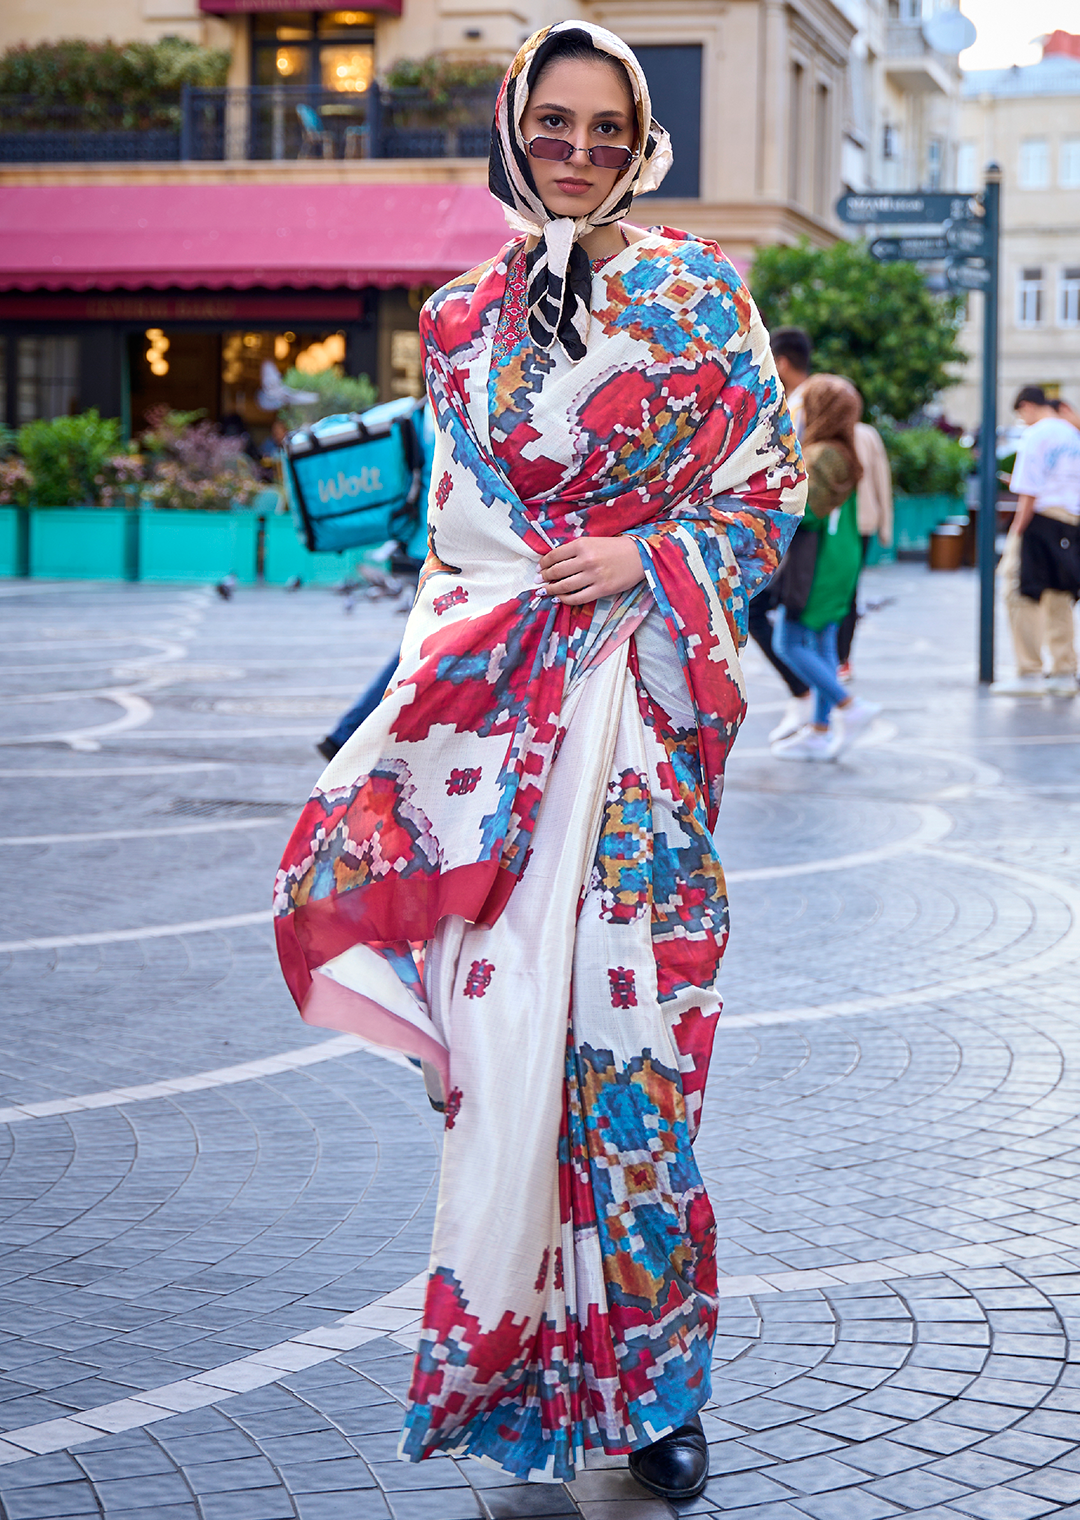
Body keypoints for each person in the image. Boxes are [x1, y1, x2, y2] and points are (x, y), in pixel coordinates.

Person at [274, 20, 804, 1502]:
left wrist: (645, 552)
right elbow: (455, 541)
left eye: (607, 129)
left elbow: (768, 489)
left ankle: (654, 1397)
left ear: (644, 145)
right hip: (499, 750)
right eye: (555, 124)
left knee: (638, 1066)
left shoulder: (709, 300)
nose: (579, 151)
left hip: (638, 733)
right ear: (516, 127)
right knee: (508, 1071)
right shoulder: (454, 321)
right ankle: (512, 1381)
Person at [771, 374, 880, 759]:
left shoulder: (819, 455)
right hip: (841, 557)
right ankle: (818, 731)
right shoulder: (843, 450)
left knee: (789, 641)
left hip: (817, 563)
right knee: (823, 643)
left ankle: (848, 706)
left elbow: (804, 515)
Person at [991, 385, 1080, 696]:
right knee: (1060, 593)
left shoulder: (1036, 434)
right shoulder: (1072, 434)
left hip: (1040, 518)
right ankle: (1064, 671)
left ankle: (1028, 670)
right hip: (1070, 520)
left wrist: (1016, 530)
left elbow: (1029, 489)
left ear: (1026, 406)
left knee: (1018, 590)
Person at [754, 326, 816, 742]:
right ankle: (814, 700)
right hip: (808, 531)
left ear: (783, 362)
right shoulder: (812, 396)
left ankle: (809, 695)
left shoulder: (802, 402)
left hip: (798, 531)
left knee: (762, 609)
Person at [836, 416, 894, 680]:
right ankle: (831, 657)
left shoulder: (865, 434)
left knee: (847, 592)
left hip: (859, 524)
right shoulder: (817, 429)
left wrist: (885, 526)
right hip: (839, 525)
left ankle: (842, 658)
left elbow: (882, 479)